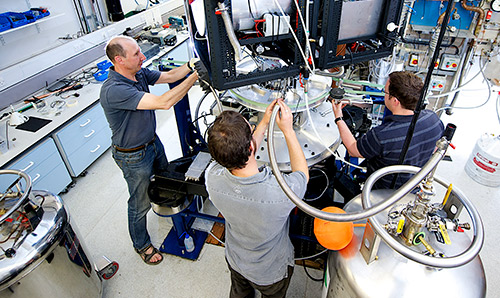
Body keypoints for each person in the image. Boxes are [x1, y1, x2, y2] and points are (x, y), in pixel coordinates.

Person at [100, 35, 200, 265]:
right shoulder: (114, 90)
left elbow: (171, 76)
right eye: (136, 54)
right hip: (132, 156)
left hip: (152, 143)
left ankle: (171, 213)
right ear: (119, 60)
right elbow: (164, 102)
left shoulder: (139, 73)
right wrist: (196, 76)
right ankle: (141, 244)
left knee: (166, 179)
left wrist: (192, 64)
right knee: (139, 204)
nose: (142, 56)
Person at [205, 100, 309, 298]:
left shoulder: (212, 178)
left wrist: (264, 123)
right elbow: (302, 174)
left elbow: (240, 153)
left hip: (236, 259)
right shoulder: (280, 193)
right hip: (270, 272)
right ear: (252, 147)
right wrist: (288, 131)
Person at [332, 71, 444, 189]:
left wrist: (339, 118)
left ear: (395, 101)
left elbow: (353, 150)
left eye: (385, 92)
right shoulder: (433, 118)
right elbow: (437, 149)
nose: (383, 94)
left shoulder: (382, 135)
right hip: (414, 186)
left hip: (383, 193)